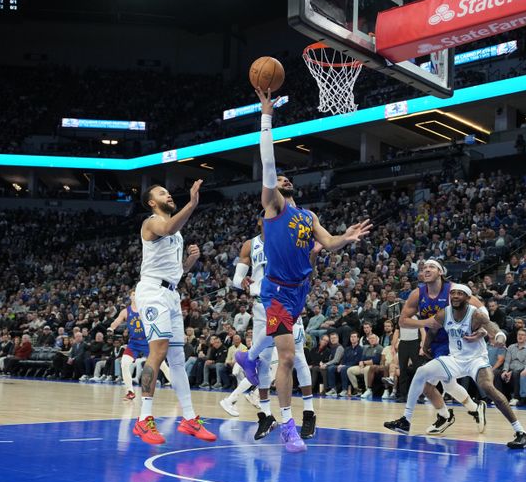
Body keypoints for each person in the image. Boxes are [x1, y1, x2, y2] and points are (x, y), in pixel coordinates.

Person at [235, 87, 371, 453]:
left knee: (280, 351)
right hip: (276, 290)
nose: (283, 179)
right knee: (289, 357)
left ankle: (248, 357)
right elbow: (268, 163)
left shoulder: (308, 216)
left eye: (285, 178)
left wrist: (347, 236)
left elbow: (328, 244)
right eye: (278, 179)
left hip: (298, 291)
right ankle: (287, 424)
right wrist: (267, 117)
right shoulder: (273, 206)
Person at [384, 284, 526, 449]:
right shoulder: (444, 313)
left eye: (459, 294)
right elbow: (432, 330)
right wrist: (425, 347)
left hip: (476, 360)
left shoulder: (475, 315)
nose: (454, 296)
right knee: (422, 371)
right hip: (455, 359)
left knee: (487, 387)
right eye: (452, 293)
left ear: (468, 298)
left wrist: (499, 337)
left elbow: (493, 328)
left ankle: (521, 432)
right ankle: (406, 420)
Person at [130, 180, 216, 445]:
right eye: (161, 193)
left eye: (168, 191)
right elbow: (168, 227)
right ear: (152, 202)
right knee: (158, 351)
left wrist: (189, 261)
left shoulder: (175, 234)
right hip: (153, 292)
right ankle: (144, 419)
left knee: (178, 357)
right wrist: (192, 203)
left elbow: (177, 272)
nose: (168, 194)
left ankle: (189, 418)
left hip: (171, 292)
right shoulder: (152, 222)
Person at [225, 222, 320, 440]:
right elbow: (238, 280)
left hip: (285, 301)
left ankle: (309, 412)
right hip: (260, 304)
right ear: (260, 221)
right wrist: (243, 282)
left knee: (298, 358)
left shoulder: (288, 240)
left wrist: (313, 256)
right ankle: (266, 416)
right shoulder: (250, 245)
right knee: (264, 362)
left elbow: (307, 271)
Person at [396, 260, 488, 433]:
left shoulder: (452, 290)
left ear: (440, 272)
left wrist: (483, 329)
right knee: (443, 384)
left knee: (426, 379)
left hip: (452, 342)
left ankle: (443, 416)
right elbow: (403, 321)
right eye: (424, 268)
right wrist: (427, 323)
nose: (426, 270)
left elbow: (481, 309)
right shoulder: (418, 294)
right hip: (433, 342)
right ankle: (474, 409)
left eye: (431, 267)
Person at [107, 291, 171, 400]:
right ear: (130, 297)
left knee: (162, 365)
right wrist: (111, 328)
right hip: (134, 343)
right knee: (124, 363)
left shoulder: (146, 309)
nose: (135, 295)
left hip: (147, 341)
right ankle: (130, 392)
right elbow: (117, 321)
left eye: (137, 293)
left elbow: (156, 321)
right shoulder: (125, 311)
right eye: (133, 294)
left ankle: (177, 385)